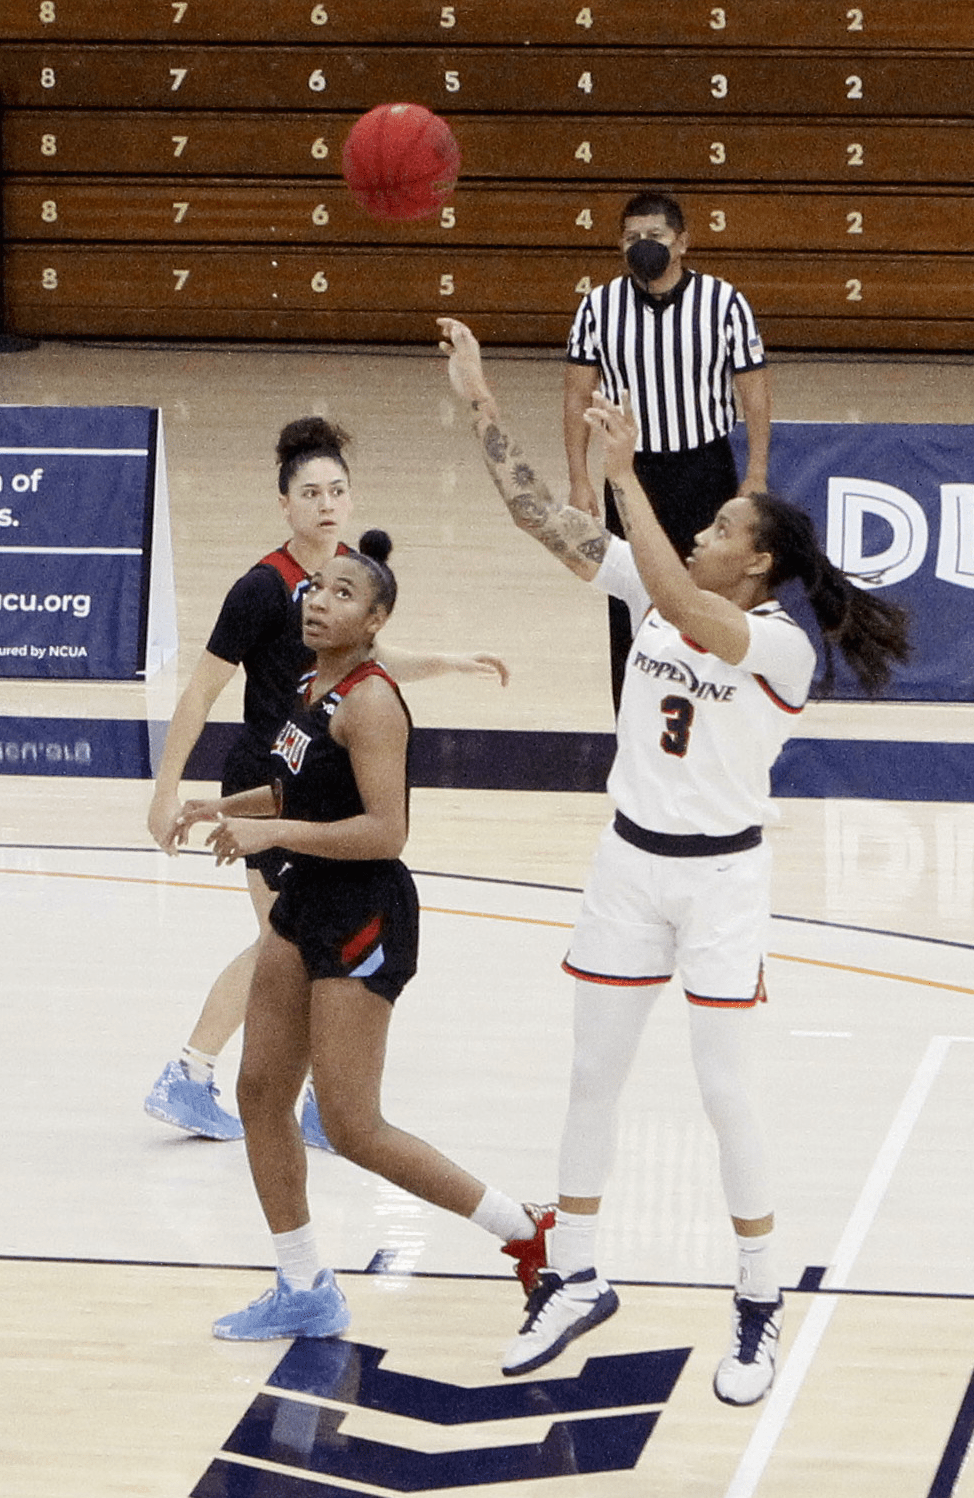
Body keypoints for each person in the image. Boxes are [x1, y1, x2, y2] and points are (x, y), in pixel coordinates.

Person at [437, 316, 909, 1401]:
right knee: (590, 1077)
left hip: (721, 881)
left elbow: (688, 603)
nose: (701, 531)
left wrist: (625, 476)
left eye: (719, 523)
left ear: (759, 559)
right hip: (626, 866)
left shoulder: (777, 643)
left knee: (723, 1092)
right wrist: (480, 400)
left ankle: (755, 1297)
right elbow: (532, 516)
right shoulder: (657, 586)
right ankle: (573, 1272)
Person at [175, 531, 549, 1340]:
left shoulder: (374, 701)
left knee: (351, 1125)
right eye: (316, 587)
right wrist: (228, 809)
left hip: (364, 912)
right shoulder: (311, 683)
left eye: (343, 593)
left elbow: (386, 832)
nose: (319, 600)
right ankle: (304, 1283)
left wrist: (273, 839)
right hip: (306, 900)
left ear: (375, 620)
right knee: (259, 1093)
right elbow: (293, 787)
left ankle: (524, 1230)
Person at [145, 416, 509, 1146]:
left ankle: (262, 1088)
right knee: (287, 941)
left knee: (291, 941)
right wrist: (164, 790)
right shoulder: (261, 589)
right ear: (285, 504)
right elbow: (198, 694)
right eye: (311, 492)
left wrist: (448, 661)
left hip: (316, 776)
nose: (327, 503)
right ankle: (207, 1077)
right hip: (268, 775)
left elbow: (372, 656)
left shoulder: (347, 573)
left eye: (338, 490)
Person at [565, 189, 772, 710]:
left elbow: (754, 393)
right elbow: (575, 395)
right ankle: (634, 715)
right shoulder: (598, 307)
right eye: (632, 237)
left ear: (682, 243)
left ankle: (713, 708)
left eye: (654, 236)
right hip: (632, 473)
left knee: (713, 594)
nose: (643, 246)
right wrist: (580, 478)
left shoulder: (725, 303)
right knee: (631, 597)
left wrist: (756, 474)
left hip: (706, 467)